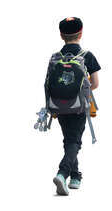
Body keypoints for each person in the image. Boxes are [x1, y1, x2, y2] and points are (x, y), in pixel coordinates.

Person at [52, 17, 100, 195]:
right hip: (79, 106)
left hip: (58, 105)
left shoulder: (55, 57)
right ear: (81, 33)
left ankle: (75, 176)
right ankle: (62, 173)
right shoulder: (87, 55)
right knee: (74, 141)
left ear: (61, 35)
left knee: (69, 140)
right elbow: (94, 83)